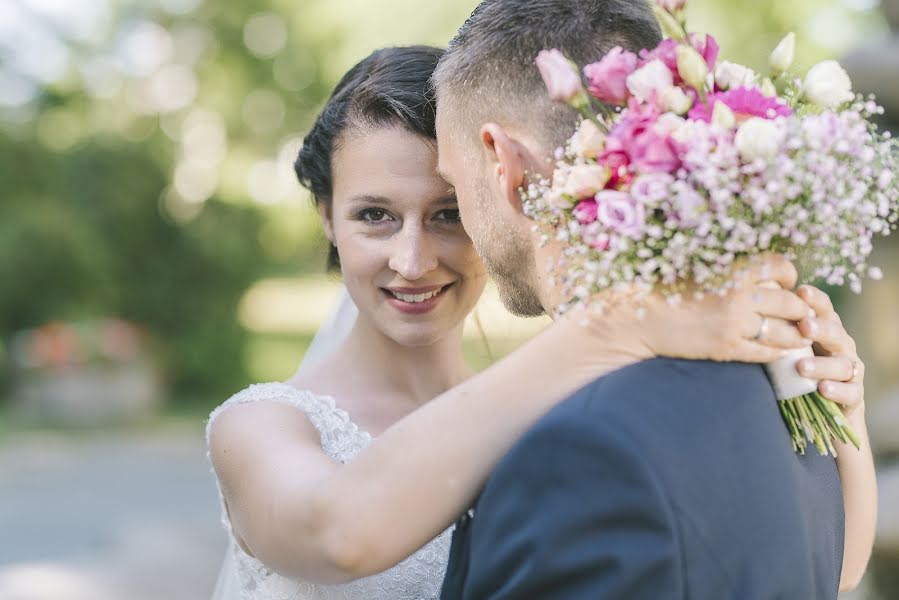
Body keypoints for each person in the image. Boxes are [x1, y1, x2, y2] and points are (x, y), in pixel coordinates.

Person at [206, 44, 873, 600]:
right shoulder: (260, 425)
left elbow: (834, 567)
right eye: (373, 215)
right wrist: (615, 326)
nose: (411, 261)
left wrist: (844, 411)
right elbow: (336, 534)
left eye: (446, 214)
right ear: (326, 216)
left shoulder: (560, 407)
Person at [431, 1, 877, 598]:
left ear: (501, 162)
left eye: (451, 186)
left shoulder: (576, 450)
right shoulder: (782, 383)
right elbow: (832, 565)